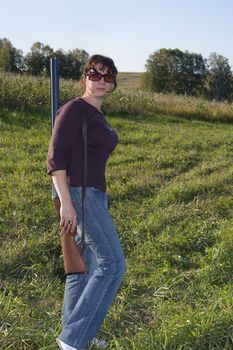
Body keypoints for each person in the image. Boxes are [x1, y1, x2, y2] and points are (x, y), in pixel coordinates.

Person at [47, 54, 126, 350]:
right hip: (78, 194)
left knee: (84, 266)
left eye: (108, 77)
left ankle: (77, 331)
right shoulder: (73, 109)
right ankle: (73, 340)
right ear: (84, 77)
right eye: (95, 74)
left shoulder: (96, 115)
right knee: (113, 263)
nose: (101, 81)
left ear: (113, 83)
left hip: (93, 194)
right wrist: (66, 203)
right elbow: (55, 159)